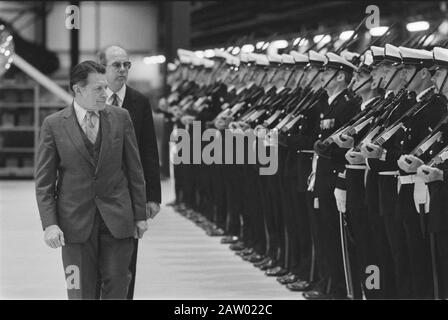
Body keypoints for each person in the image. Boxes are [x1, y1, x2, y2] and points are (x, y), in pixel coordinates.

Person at [35, 61, 148, 299]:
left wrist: (139, 215)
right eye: (98, 88)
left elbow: (134, 170)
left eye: (105, 87)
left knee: (118, 285)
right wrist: (50, 224)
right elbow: (44, 182)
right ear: (78, 90)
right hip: (74, 224)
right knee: (79, 290)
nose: (105, 94)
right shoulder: (53, 125)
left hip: (117, 219)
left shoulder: (121, 118)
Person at [98, 45, 162, 299]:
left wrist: (153, 196)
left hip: (128, 196)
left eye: (127, 65)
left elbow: (149, 151)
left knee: (126, 264)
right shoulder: (94, 98)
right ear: (102, 67)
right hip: (99, 193)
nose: (123, 70)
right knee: (97, 265)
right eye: (117, 65)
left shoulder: (139, 102)